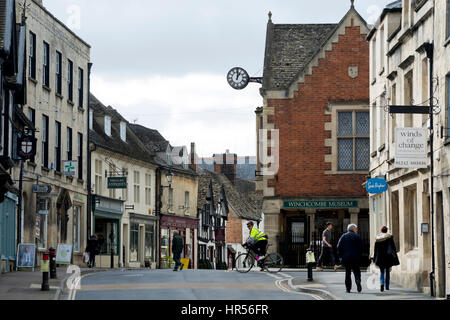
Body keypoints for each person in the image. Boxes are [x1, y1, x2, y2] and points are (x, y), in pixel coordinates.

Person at [337, 224, 363, 293]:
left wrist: (340, 257)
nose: (356, 230)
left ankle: (348, 289)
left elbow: (338, 247)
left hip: (346, 258)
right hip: (355, 258)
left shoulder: (343, 236)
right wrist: (359, 255)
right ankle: (357, 280)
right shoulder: (357, 236)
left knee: (348, 273)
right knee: (357, 271)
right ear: (354, 229)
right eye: (356, 229)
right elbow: (361, 248)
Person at [373, 226, 399, 292]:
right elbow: (393, 247)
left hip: (380, 257)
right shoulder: (389, 237)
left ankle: (381, 283)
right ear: (386, 230)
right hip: (388, 257)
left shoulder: (377, 238)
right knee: (387, 271)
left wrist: (374, 258)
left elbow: (375, 249)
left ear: (381, 230)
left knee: (382, 271)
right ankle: (387, 286)